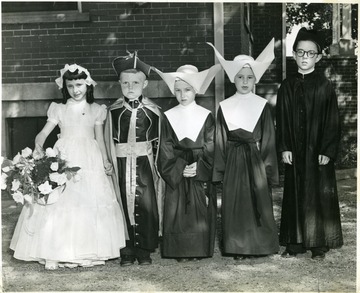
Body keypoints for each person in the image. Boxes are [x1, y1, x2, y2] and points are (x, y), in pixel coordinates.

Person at [10, 64, 127, 270]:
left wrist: (106, 161)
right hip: (64, 156)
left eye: (80, 85)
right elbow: (44, 133)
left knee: (88, 201)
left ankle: (87, 249)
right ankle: (57, 250)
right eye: (71, 85)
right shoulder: (59, 109)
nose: (76, 90)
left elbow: (100, 140)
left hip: (89, 158)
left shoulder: (96, 110)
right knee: (60, 200)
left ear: (87, 84)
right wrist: (38, 144)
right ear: (65, 87)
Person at [208, 39, 279, 260]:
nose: (245, 81)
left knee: (257, 198)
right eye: (240, 77)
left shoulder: (262, 105)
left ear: (255, 79)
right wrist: (219, 171)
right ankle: (237, 247)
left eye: (249, 77)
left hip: (255, 159)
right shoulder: (224, 106)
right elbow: (219, 139)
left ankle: (258, 245)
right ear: (233, 79)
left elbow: (268, 138)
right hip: (233, 161)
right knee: (235, 203)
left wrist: (269, 171)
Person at [276, 28, 343, 260]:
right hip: (294, 148)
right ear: (294, 55)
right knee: (294, 192)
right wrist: (284, 146)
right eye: (300, 52)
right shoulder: (286, 86)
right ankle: (295, 243)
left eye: (310, 53)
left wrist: (327, 149)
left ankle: (318, 245)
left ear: (318, 57)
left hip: (317, 151)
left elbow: (333, 120)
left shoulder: (324, 86)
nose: (305, 57)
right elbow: (282, 120)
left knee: (318, 194)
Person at [154, 64, 221, 262]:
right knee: (177, 210)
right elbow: (165, 145)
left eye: (187, 90)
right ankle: (179, 250)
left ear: (196, 90)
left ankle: (199, 248)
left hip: (198, 167)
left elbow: (211, 144)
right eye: (178, 90)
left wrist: (200, 167)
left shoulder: (206, 115)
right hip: (177, 167)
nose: (182, 95)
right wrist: (178, 167)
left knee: (200, 208)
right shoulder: (168, 116)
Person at [104, 51, 163, 266]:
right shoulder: (113, 111)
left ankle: (144, 248)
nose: (130, 87)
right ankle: (126, 248)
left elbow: (159, 141)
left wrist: (158, 166)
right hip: (120, 164)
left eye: (135, 83)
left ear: (145, 84)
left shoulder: (153, 111)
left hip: (144, 164)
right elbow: (107, 139)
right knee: (121, 202)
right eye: (125, 83)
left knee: (146, 203)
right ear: (119, 83)